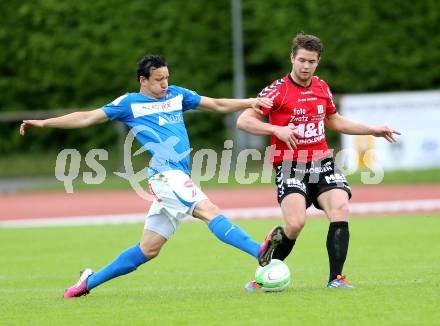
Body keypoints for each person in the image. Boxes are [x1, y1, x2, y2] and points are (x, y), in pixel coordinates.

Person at [20, 54, 282, 298]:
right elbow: (87, 117)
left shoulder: (177, 95)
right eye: (158, 80)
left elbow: (215, 103)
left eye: (166, 78)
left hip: (176, 177)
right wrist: (44, 123)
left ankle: (87, 283)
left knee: (148, 249)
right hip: (165, 175)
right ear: (142, 80)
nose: (165, 84)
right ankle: (258, 250)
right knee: (208, 209)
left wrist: (249, 102)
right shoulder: (129, 103)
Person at [237, 33, 400, 290]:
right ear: (292, 57)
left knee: (340, 209)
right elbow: (244, 121)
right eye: (301, 60)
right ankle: (263, 275)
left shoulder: (322, 88)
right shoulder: (276, 90)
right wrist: (276, 130)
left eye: (311, 61)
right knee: (295, 224)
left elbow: (335, 121)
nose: (305, 66)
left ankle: (336, 278)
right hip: (291, 165)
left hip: (322, 162)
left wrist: (373, 129)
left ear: (318, 61)